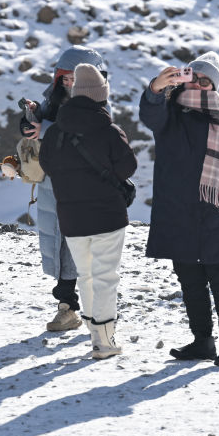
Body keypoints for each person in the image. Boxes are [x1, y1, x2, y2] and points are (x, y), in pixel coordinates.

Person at [140, 52, 219, 367]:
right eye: (192, 77)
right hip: (177, 208)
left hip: (216, 206)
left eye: (204, 79)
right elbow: (149, 116)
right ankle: (202, 341)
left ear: (215, 86)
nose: (196, 83)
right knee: (189, 278)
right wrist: (155, 88)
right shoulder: (169, 111)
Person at [39, 63, 137, 359]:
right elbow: (128, 167)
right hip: (107, 214)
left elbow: (47, 166)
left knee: (86, 275)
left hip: (71, 217)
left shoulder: (54, 132)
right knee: (106, 276)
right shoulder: (109, 130)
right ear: (100, 96)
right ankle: (104, 341)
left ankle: (95, 333)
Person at [20, 46, 108, 332]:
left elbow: (85, 137)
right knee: (60, 244)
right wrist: (31, 120)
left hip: (82, 186)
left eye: (75, 78)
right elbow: (45, 127)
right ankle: (70, 307)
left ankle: (77, 308)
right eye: (64, 78)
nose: (69, 84)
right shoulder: (53, 100)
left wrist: (45, 128)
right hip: (53, 183)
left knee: (75, 248)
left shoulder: (99, 106)